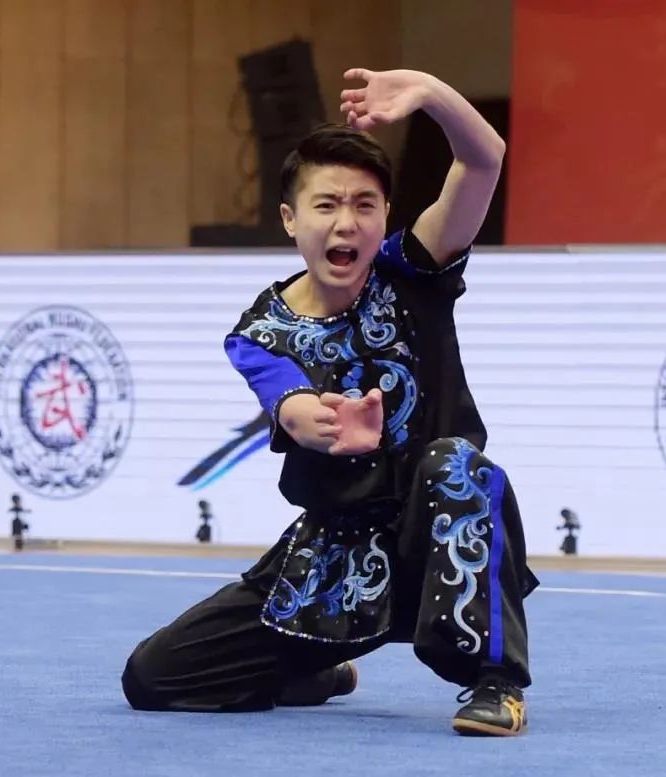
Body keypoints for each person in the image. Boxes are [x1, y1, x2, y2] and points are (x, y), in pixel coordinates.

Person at [121, 67, 539, 737]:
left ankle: (494, 682)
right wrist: (317, 424)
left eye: (365, 205)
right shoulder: (260, 331)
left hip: (435, 536)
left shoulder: (415, 271)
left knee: (458, 465)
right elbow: (287, 402)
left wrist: (428, 93)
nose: (347, 222)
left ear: (385, 216)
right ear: (290, 218)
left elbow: (484, 158)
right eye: (327, 205)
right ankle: (312, 669)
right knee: (153, 677)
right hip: (336, 553)